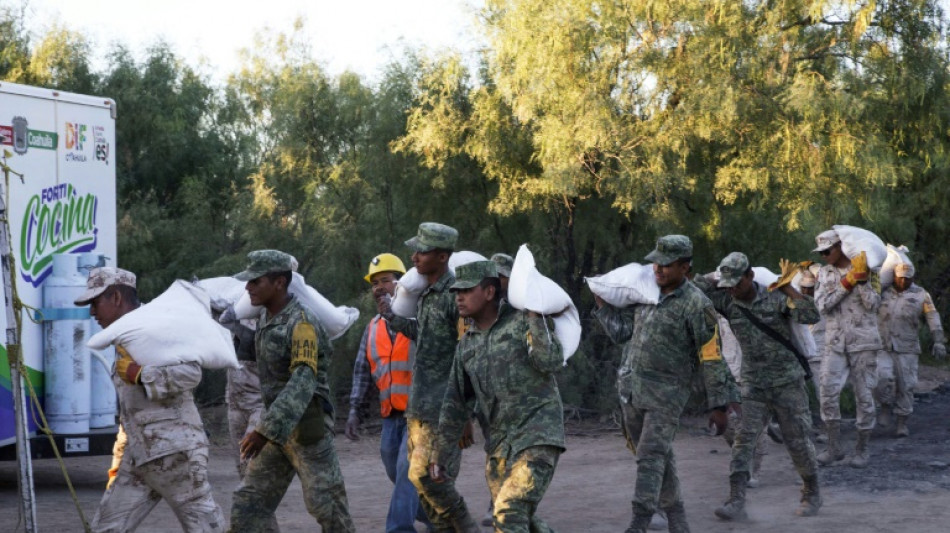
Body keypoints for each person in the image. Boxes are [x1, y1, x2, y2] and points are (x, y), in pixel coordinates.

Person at [593, 235, 740, 533]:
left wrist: (720, 405)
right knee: (658, 456)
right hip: (632, 390)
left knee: (650, 456)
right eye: (655, 263)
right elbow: (623, 334)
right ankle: (678, 521)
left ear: (685, 267)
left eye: (666, 265)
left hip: (667, 395)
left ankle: (640, 521)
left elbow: (711, 356)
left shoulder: (698, 305)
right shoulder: (645, 292)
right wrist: (604, 308)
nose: (658, 269)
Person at [76, 267, 225, 532]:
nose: (92, 312)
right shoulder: (125, 336)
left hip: (176, 453)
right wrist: (118, 459)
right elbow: (130, 410)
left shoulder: (155, 327)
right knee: (106, 528)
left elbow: (190, 373)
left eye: (95, 302)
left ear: (116, 298)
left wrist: (141, 374)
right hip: (139, 457)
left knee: (205, 527)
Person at [430, 261, 564, 532]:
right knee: (522, 519)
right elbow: (455, 404)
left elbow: (551, 361)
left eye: (467, 290)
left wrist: (536, 317)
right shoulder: (467, 345)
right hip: (499, 446)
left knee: (507, 510)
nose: (459, 297)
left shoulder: (523, 322)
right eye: (457, 291)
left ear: (490, 292)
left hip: (538, 434)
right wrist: (440, 455)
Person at [229, 250, 355, 532]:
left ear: (279, 283)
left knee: (328, 509)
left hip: (308, 430)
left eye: (255, 281)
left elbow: (303, 380)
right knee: (248, 504)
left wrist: (264, 430)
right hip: (278, 433)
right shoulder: (265, 318)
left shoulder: (302, 323)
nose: (248, 287)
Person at [695, 253, 821, 520]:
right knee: (743, 441)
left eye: (736, 283)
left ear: (750, 276)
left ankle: (811, 492)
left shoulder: (776, 297)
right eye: (727, 284)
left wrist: (788, 288)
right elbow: (695, 288)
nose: (732, 289)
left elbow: (811, 315)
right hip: (754, 385)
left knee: (797, 441)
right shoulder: (728, 301)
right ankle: (735, 500)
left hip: (787, 382)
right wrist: (715, 276)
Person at [380, 222, 479, 532]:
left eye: (421, 251)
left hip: (445, 411)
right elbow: (425, 337)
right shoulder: (427, 294)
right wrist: (393, 319)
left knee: (438, 481)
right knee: (422, 483)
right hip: (420, 409)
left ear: (441, 256)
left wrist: (463, 414)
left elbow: (467, 356)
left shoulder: (456, 296)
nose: (414, 257)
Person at [345, 253, 430, 532]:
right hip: (391, 415)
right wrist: (355, 410)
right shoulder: (372, 327)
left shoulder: (420, 319)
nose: (379, 287)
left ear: (402, 284)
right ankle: (442, 518)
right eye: (374, 283)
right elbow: (362, 370)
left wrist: (394, 315)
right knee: (395, 470)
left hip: (420, 413)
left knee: (407, 469)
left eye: (385, 281)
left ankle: (399, 528)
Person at [813, 229, 882, 468]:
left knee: (864, 397)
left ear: (840, 247)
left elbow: (873, 304)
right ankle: (834, 448)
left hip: (863, 341)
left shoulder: (870, 270)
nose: (824, 256)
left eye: (827, 251)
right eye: (821, 253)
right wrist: (847, 282)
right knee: (827, 393)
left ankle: (862, 450)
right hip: (835, 342)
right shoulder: (824, 273)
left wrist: (861, 280)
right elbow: (823, 305)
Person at [875, 262, 946, 437]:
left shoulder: (921, 294)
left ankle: (901, 422)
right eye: (900, 278)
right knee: (881, 377)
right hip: (882, 345)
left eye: (907, 279)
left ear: (913, 278)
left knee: (906, 384)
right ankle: (885, 405)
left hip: (907, 347)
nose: (903, 282)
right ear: (894, 277)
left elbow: (932, 315)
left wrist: (938, 340)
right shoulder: (883, 291)